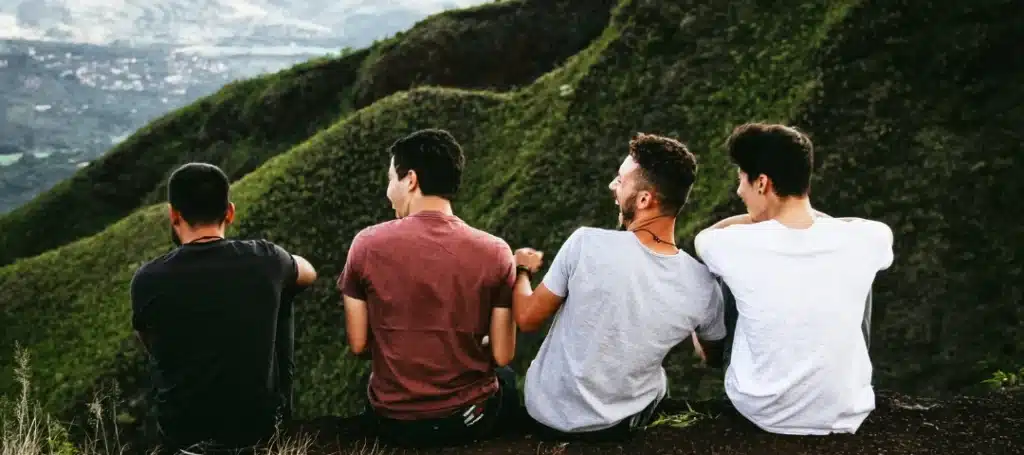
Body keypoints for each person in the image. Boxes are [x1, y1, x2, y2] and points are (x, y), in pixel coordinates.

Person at [511, 133, 727, 440]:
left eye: (620, 180)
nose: (613, 186)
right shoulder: (703, 286)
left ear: (644, 199)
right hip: (617, 426)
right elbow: (712, 357)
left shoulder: (585, 243)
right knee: (659, 380)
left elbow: (527, 318)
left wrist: (521, 270)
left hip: (545, 415)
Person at [693, 122, 894, 435]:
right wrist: (810, 220)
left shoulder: (729, 243)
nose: (738, 191)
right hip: (844, 411)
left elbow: (704, 238)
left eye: (741, 181)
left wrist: (758, 219)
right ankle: (831, 380)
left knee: (722, 277)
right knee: (855, 274)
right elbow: (856, 227)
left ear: (762, 183)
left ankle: (718, 362)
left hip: (760, 410)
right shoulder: (869, 238)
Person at [337, 129, 520, 448]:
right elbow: (503, 353)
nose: (388, 192)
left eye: (391, 180)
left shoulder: (366, 245)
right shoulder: (497, 252)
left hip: (394, 422)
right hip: (467, 421)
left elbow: (359, 344)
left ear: (410, 179)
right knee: (507, 380)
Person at [130, 162, 318, 454]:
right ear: (229, 212)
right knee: (284, 291)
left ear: (173, 214)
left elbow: (154, 347)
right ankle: (281, 422)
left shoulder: (147, 279)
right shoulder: (265, 259)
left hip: (182, 430)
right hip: (256, 428)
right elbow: (309, 273)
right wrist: (279, 265)